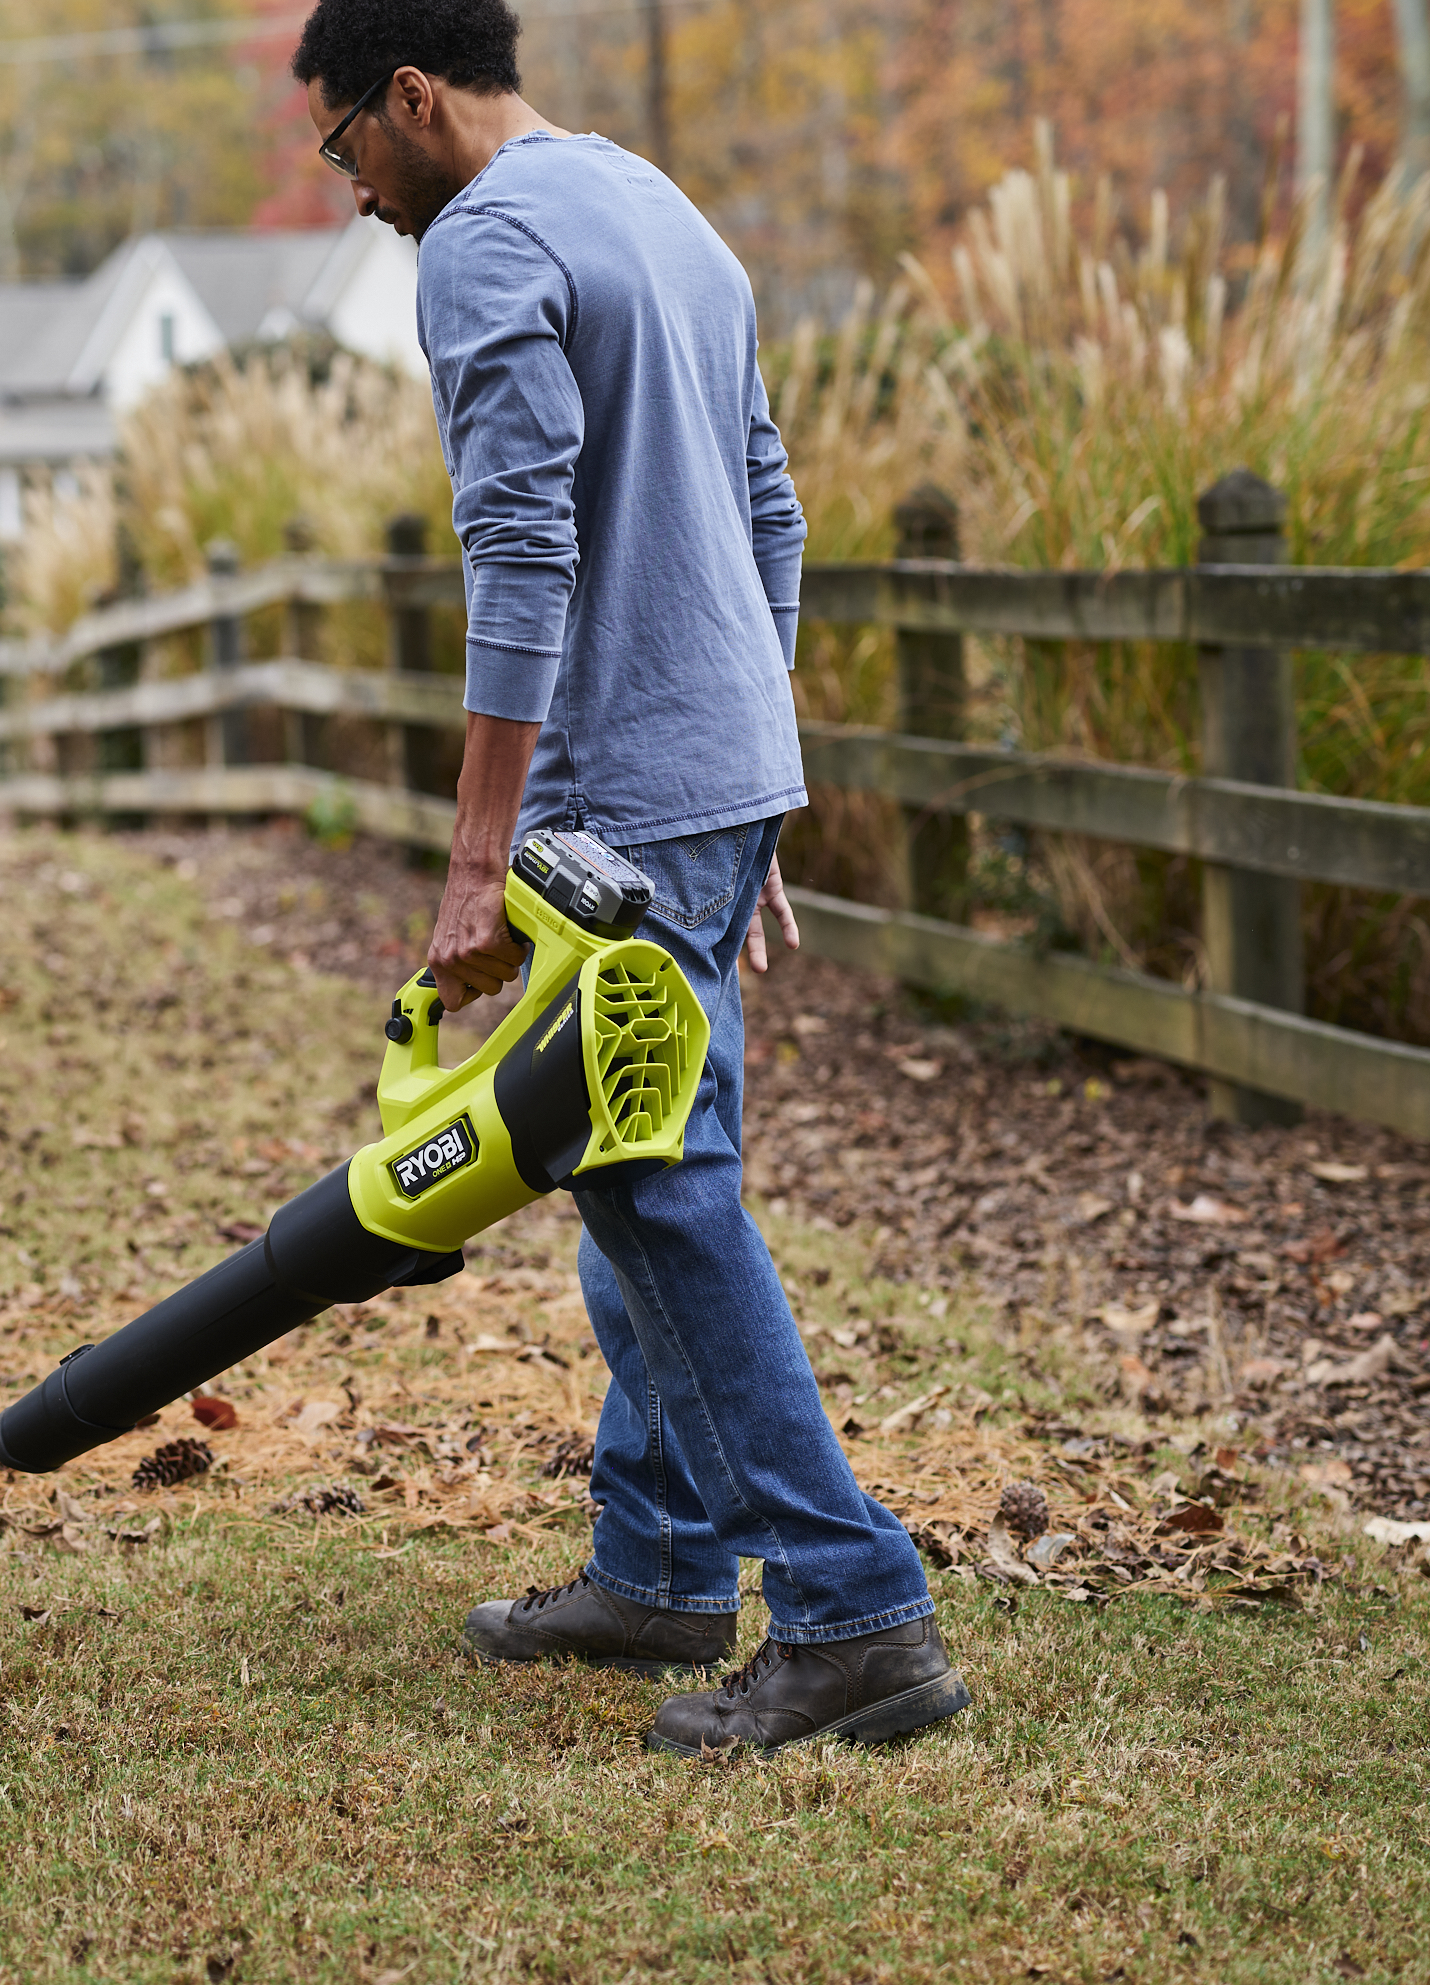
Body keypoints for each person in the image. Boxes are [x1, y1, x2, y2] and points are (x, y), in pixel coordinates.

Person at [292, 0, 970, 1757]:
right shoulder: (660, 207)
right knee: (634, 1175)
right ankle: (659, 1565)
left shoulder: (480, 243)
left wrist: (475, 855)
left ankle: (854, 1611)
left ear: (415, 97)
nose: (347, 178)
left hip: (613, 804)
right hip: (711, 771)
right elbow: (772, 507)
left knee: (658, 1188)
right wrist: (753, 762)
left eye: (343, 137)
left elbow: (520, 548)